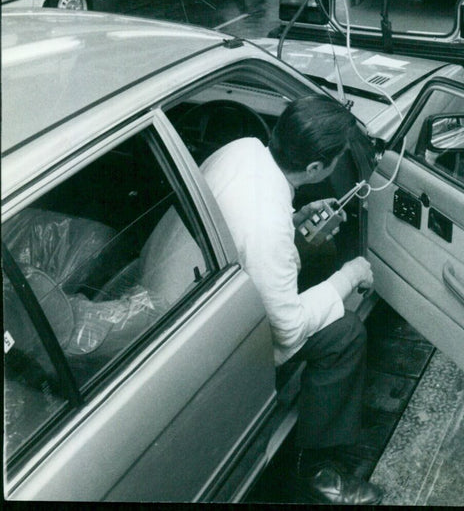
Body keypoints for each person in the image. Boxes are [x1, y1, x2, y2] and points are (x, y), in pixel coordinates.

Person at [141, 95, 383, 504]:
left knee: (310, 261)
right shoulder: (268, 228)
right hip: (194, 339)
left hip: (169, 284)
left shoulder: (244, 149)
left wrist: (295, 218)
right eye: (338, 158)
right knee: (346, 334)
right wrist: (349, 276)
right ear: (315, 169)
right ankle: (318, 473)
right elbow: (287, 334)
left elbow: (241, 223)